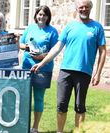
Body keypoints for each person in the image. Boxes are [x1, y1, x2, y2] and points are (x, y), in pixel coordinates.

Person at [31, 0, 106, 132]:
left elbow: (103, 51)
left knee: (80, 106)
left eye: (87, 7)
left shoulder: (97, 27)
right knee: (61, 105)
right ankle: (60, 131)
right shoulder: (70, 26)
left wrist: (98, 73)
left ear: (90, 8)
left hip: (84, 72)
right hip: (65, 71)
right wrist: (42, 63)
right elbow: (57, 48)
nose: (84, 9)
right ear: (77, 9)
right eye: (81, 7)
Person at [19, 5, 58, 133]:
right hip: (26, 66)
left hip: (43, 69)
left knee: (39, 98)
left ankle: (35, 127)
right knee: (23, 97)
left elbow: (54, 51)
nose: (41, 17)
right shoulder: (30, 28)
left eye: (44, 15)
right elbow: (20, 43)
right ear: (36, 15)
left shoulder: (52, 31)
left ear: (48, 17)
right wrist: (28, 48)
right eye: (39, 14)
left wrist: (42, 56)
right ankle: (22, 125)